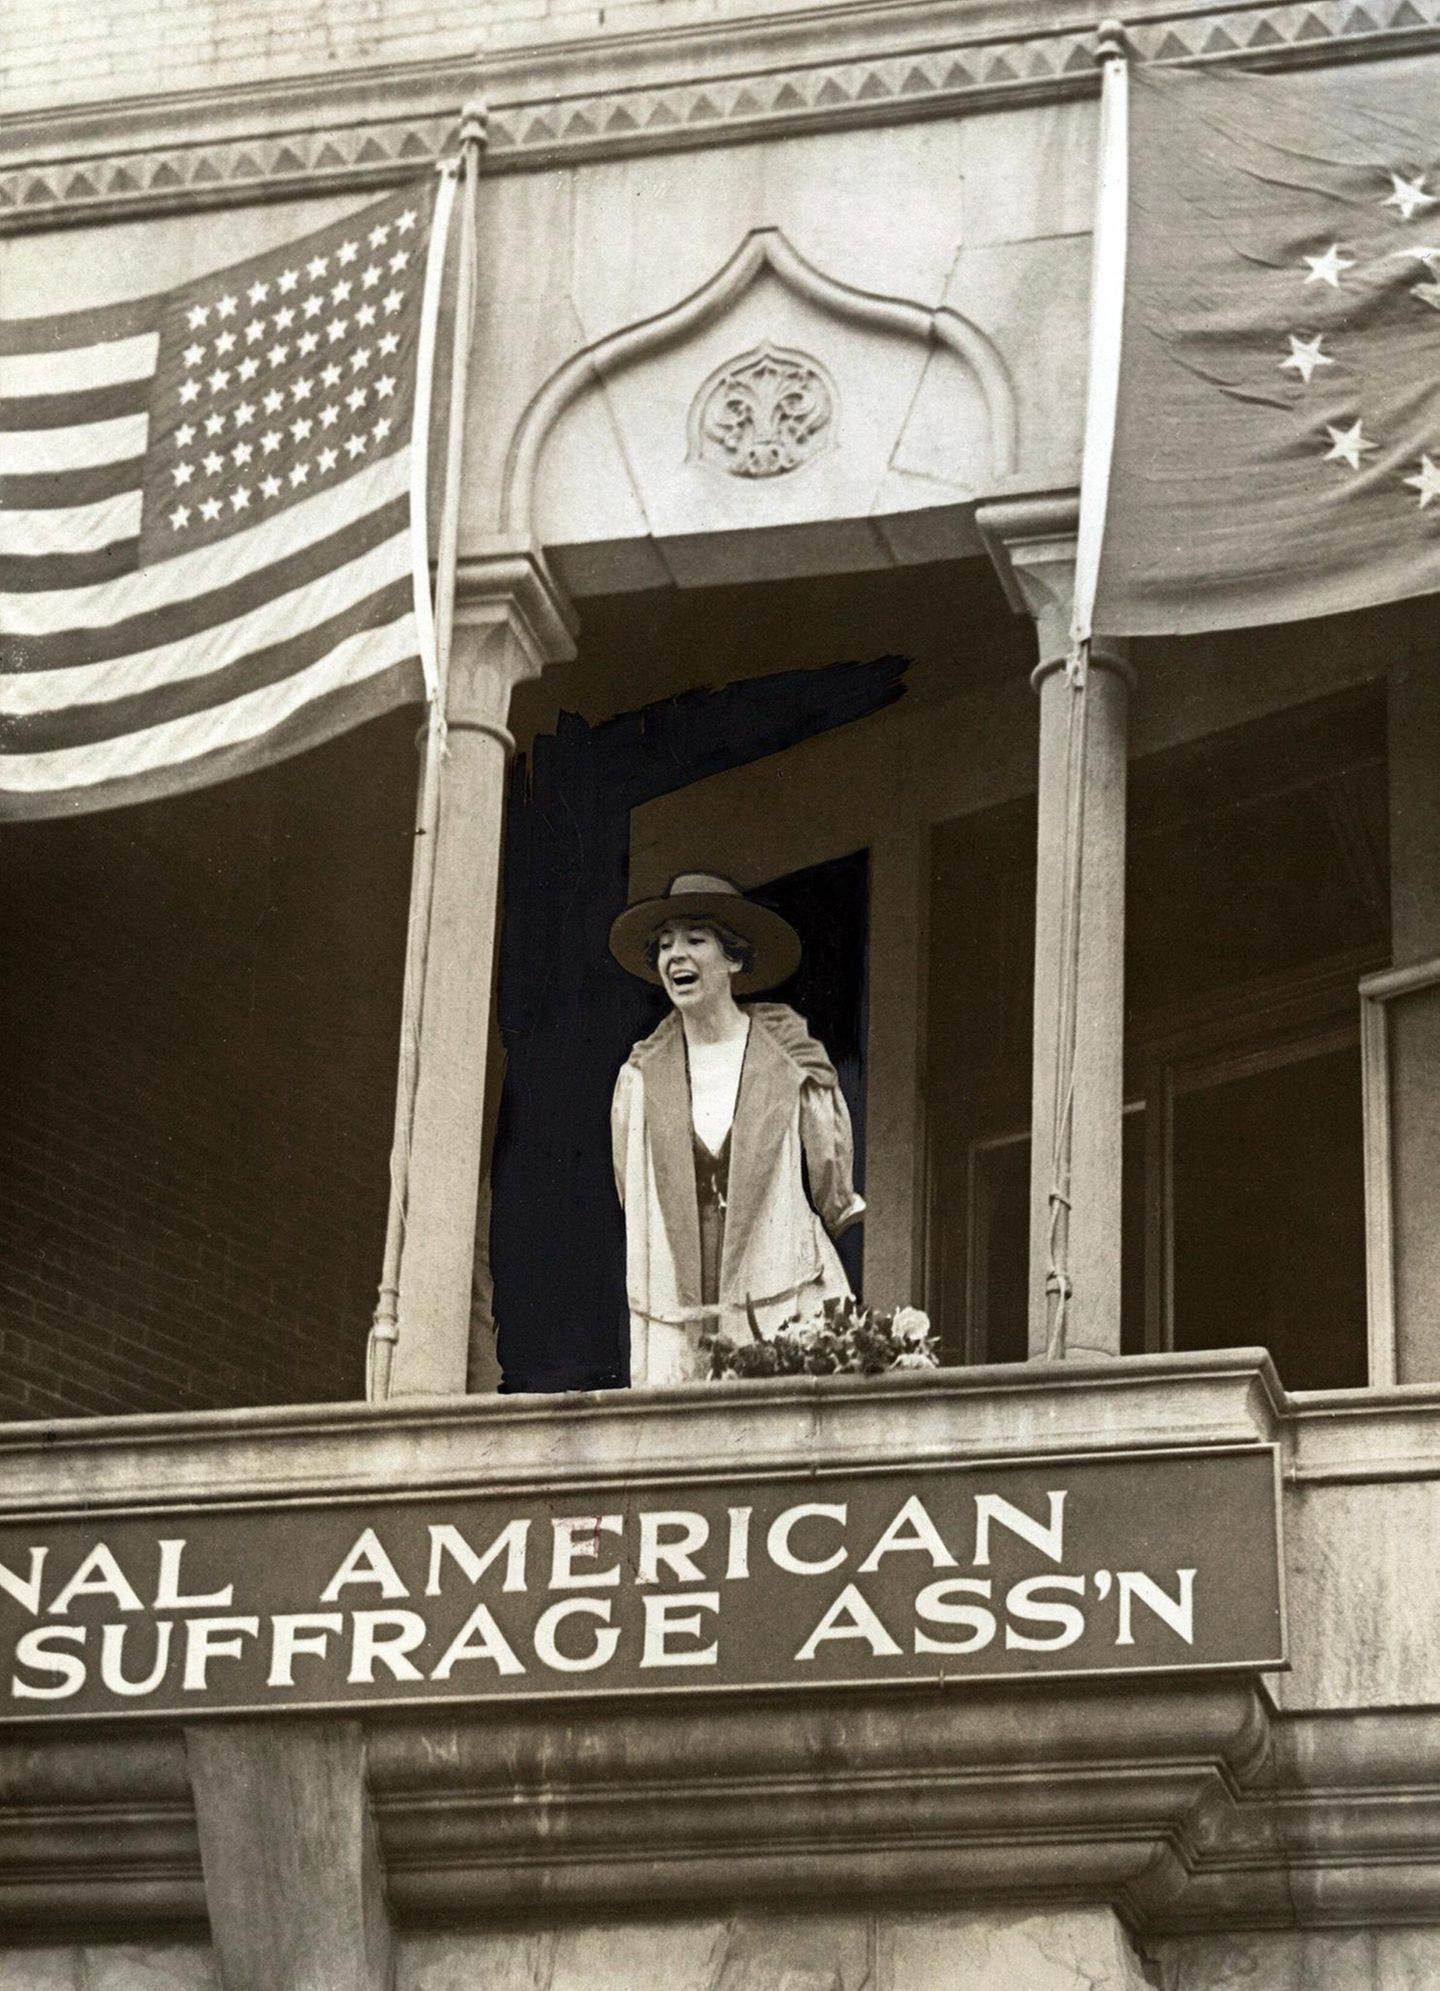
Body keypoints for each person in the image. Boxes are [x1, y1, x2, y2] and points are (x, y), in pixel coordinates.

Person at [609, 872, 865, 1386]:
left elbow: (832, 1185)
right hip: (674, 1304)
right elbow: (630, 1194)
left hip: (777, 1283)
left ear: (734, 958)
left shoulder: (791, 1059)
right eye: (664, 945)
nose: (675, 956)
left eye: (695, 940)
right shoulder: (639, 1077)